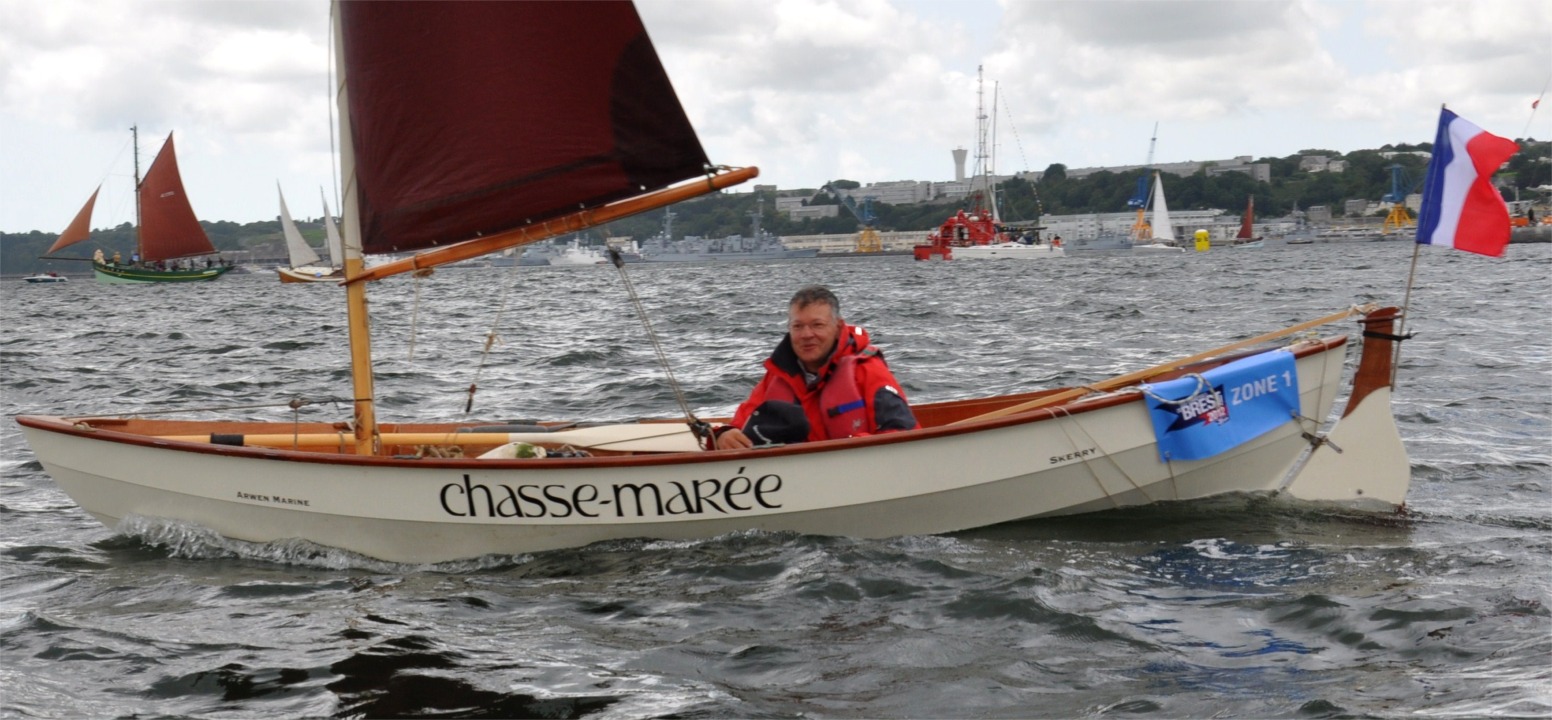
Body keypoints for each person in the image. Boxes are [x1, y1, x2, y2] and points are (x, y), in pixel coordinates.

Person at [715, 285, 918, 450]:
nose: (806, 335)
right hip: (787, 479)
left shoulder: (868, 370)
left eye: (817, 325)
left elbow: (903, 435)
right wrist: (724, 435)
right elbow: (738, 425)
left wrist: (854, 446)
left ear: (838, 328)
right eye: (798, 326)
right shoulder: (777, 377)